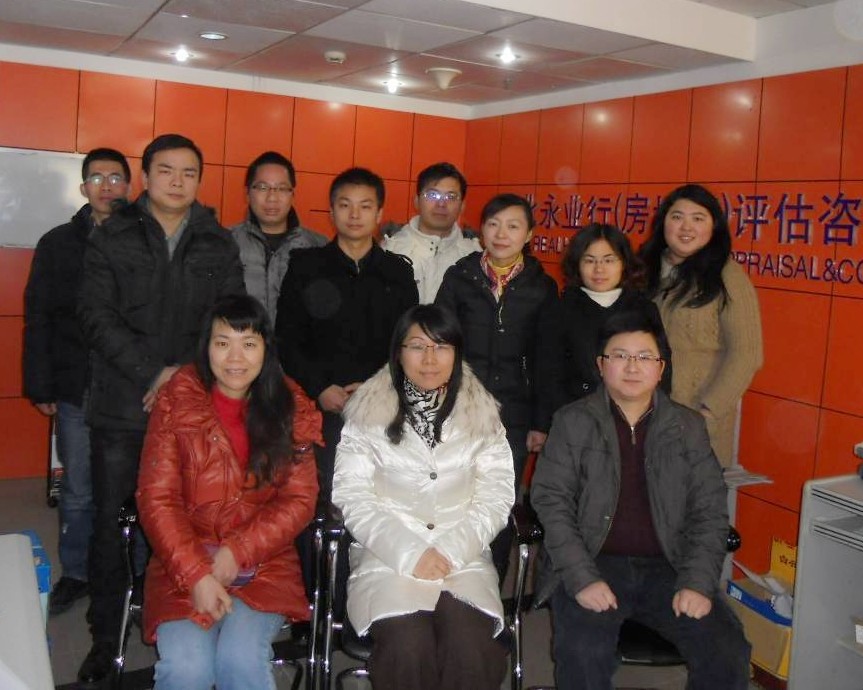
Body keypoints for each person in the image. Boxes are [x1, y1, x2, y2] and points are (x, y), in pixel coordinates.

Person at [77, 133, 245, 684]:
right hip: (123, 406)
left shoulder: (217, 241)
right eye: (166, 171)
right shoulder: (111, 235)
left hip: (193, 408)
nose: (178, 181)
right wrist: (155, 373)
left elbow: (231, 319)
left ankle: (177, 620)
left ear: (200, 180)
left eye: (189, 173)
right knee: (111, 523)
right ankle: (105, 637)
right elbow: (95, 316)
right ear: (146, 177)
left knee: (182, 522)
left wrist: (184, 378)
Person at [531, 308, 751, 690]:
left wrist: (698, 582)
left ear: (661, 368)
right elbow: (552, 503)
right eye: (620, 355)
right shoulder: (572, 422)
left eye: (645, 357)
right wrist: (582, 579)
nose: (632, 366)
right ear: (601, 365)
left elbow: (709, 511)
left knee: (726, 649)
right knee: (583, 654)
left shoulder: (687, 427)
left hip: (668, 565)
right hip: (592, 559)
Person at [136, 294, 320, 690]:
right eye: (223, 343)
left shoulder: (292, 405)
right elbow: (157, 498)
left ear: (266, 349)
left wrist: (237, 551)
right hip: (181, 559)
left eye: (248, 343)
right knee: (187, 668)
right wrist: (196, 574)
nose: (235, 357)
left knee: (241, 661)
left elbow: (300, 499)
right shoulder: (176, 401)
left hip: (264, 562)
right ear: (206, 347)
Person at [332, 304, 514, 690]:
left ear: (457, 354)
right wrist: (412, 553)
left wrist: (449, 551)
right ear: (398, 353)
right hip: (388, 559)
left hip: (461, 558)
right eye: (417, 346)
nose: (430, 359)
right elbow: (353, 497)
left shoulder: (483, 416)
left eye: (441, 346)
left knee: (472, 649)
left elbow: (496, 497)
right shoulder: (366, 415)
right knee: (408, 648)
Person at [23, 147, 130, 615]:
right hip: (76, 383)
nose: (107, 186)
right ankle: (78, 572)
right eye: (97, 178)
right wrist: (41, 383)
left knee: (133, 489)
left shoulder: (146, 240)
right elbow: (39, 317)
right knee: (80, 489)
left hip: (130, 388)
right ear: (84, 187)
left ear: (130, 186)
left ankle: (130, 573)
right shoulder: (57, 243)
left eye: (116, 177)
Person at [435, 192, 560, 577]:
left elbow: (547, 358)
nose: (502, 234)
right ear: (481, 231)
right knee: (453, 495)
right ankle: (450, 577)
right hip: (460, 408)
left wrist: (541, 421)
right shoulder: (459, 277)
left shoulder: (541, 287)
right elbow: (440, 343)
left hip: (514, 414)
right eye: (493, 224)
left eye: (513, 226)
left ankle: (491, 582)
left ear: (529, 235)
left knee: (499, 501)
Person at [276, 166, 418, 499]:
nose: (355, 215)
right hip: (320, 406)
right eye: (345, 205)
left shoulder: (397, 273)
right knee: (322, 497)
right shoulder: (306, 266)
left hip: (381, 406)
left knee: (379, 498)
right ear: (331, 211)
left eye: (365, 206)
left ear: (379, 214)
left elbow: (408, 343)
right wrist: (320, 387)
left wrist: (376, 388)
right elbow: (287, 337)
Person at [640, 183, 763, 467]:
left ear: (714, 227)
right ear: (663, 222)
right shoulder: (643, 269)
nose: (686, 227)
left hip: (694, 419)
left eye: (698, 218)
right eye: (677, 216)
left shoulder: (726, 276)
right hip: (639, 412)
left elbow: (747, 354)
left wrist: (708, 411)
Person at [558, 222, 669, 407]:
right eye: (589, 260)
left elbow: (662, 368)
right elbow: (548, 376)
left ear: (624, 263)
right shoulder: (559, 310)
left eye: (609, 260)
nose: (599, 269)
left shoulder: (644, 309)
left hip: (635, 412)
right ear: (577, 265)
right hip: (574, 413)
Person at [230, 151, 327, 323]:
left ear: (293, 195)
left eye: (282, 189)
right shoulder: (226, 242)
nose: (272, 198)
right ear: (247, 193)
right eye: (262, 187)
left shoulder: (319, 247)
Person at [381, 162, 479, 303]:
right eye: (432, 195)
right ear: (416, 201)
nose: (441, 204)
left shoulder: (475, 259)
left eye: (451, 197)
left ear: (462, 206)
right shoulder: (390, 252)